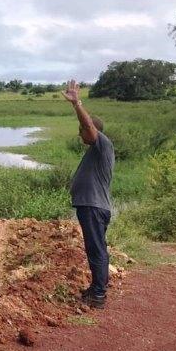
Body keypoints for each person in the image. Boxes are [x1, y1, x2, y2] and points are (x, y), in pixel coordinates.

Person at [62, 80, 115, 309]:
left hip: (94, 207)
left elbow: (90, 128)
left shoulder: (102, 144)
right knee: (97, 249)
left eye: (81, 130)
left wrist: (77, 104)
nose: (79, 134)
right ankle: (97, 288)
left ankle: (99, 295)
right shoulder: (96, 151)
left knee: (96, 250)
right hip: (91, 206)